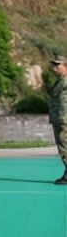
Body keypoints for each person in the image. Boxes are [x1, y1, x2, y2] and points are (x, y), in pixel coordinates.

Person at [49, 56, 67, 185]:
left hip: (64, 118)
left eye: (57, 65)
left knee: (64, 145)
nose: (54, 68)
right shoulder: (60, 81)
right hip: (59, 118)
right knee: (62, 145)